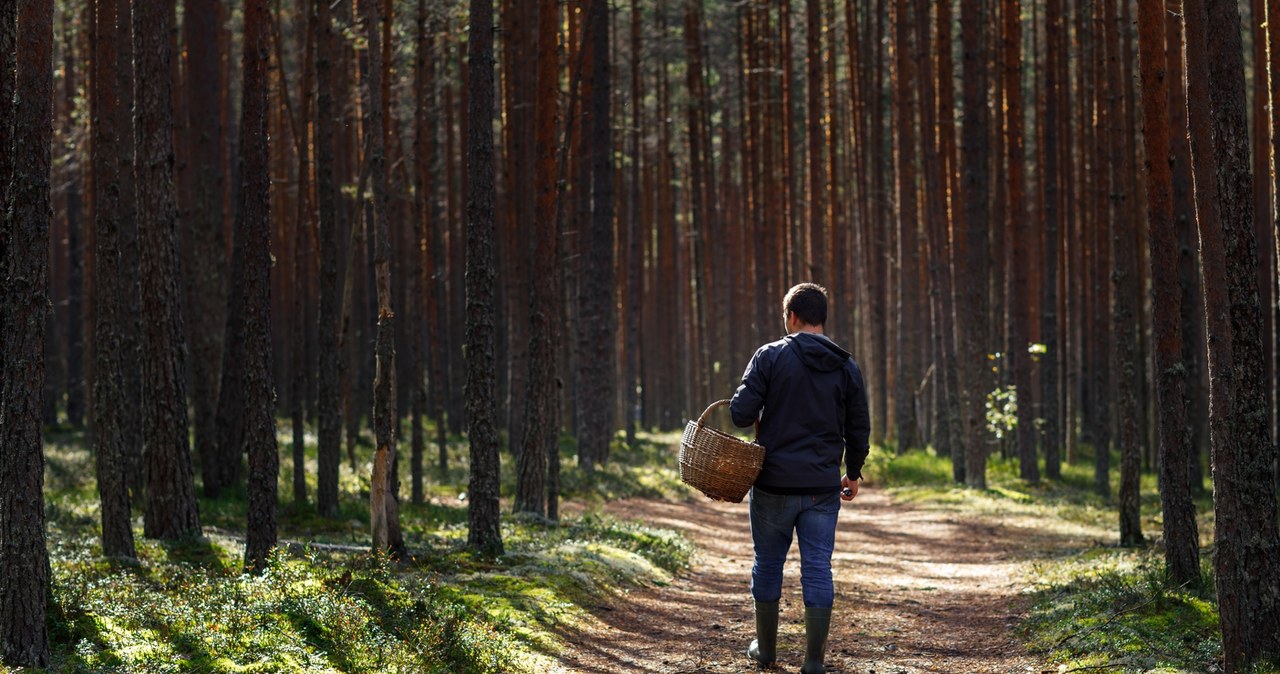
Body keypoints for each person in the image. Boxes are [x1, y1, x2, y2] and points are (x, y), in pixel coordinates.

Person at [729, 283, 871, 673]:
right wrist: (853, 473)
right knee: (817, 567)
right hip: (822, 489)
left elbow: (740, 413)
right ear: (821, 319)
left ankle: (768, 651)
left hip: (773, 484)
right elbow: (859, 427)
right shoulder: (846, 365)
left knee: (768, 563)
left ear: (791, 317)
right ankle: (813, 662)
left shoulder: (769, 356)